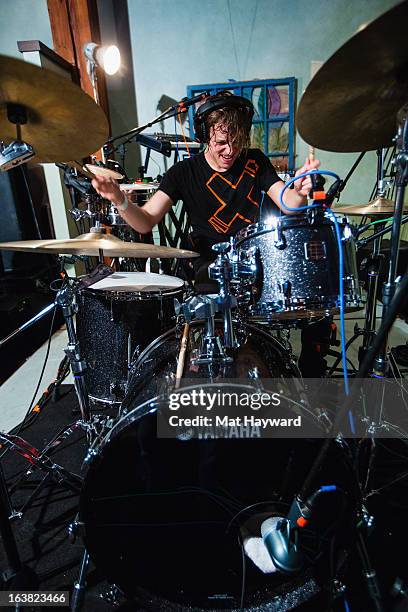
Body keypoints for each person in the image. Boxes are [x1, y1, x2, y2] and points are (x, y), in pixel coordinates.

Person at [92, 92, 330, 375]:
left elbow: (288, 203)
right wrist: (120, 199)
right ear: (205, 136)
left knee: (316, 304)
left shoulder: (254, 161)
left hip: (253, 267)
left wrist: (300, 191)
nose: (230, 150)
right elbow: (145, 221)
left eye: (237, 141)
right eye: (221, 142)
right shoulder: (183, 172)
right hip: (206, 270)